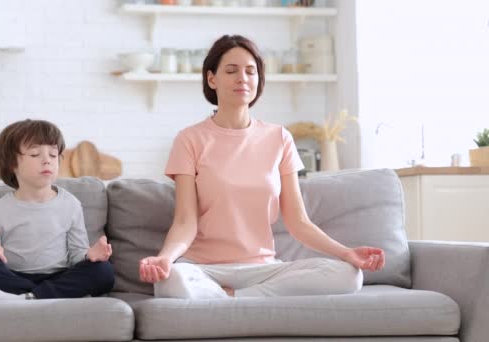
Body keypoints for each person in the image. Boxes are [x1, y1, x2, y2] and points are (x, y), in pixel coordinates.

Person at [139, 35, 386, 299]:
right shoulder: (189, 139)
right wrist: (165, 259)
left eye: (250, 71)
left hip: (261, 269)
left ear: (259, 79)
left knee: (349, 275)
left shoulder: (279, 138)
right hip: (204, 269)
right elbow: (185, 221)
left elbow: (299, 222)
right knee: (169, 281)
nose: (242, 78)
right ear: (212, 79)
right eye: (231, 71)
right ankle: (244, 297)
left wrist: (347, 253)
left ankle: (231, 298)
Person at [0, 119, 114, 300]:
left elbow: (76, 255)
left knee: (103, 271)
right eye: (35, 154)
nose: (47, 161)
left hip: (59, 275)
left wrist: (90, 255)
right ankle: (41, 295)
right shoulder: (0, 209)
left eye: (53, 154)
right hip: (14, 276)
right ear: (12, 164)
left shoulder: (70, 204)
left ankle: (27, 297)